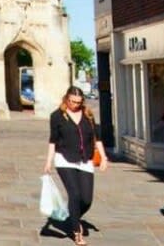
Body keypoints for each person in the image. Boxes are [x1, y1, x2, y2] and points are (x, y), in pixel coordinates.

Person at [44, 86, 108, 245]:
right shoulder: (57, 116)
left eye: (79, 102)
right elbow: (53, 140)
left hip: (85, 159)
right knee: (75, 194)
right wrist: (48, 161)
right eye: (73, 102)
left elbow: (97, 138)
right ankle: (76, 231)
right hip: (64, 159)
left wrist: (104, 157)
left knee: (86, 199)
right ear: (66, 99)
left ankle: (73, 215)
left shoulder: (88, 115)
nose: (75, 105)